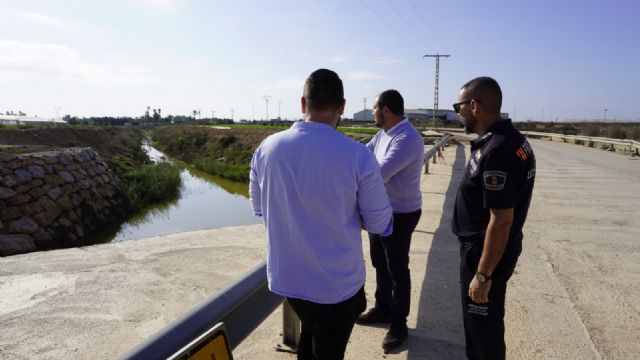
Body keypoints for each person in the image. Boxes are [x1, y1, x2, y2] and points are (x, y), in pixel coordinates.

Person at [249, 68, 393, 360]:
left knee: (310, 335)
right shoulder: (358, 156)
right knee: (327, 349)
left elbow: (260, 208)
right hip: (337, 285)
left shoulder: (266, 149)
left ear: (302, 104)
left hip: (288, 280)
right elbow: (380, 222)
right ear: (342, 107)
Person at [451, 77, 536, 360]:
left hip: (484, 254)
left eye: (459, 106)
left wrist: (483, 275)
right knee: (485, 328)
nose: (458, 112)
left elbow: (501, 221)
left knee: (482, 335)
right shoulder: (509, 140)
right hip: (488, 249)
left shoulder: (498, 149)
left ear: (474, 105)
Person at [356, 90, 424, 352]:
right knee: (380, 263)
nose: (372, 113)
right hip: (381, 210)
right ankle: (382, 308)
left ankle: (399, 324)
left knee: (397, 269)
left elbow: (379, 174)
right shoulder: (383, 134)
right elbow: (364, 156)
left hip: (400, 214)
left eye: (374, 108)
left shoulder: (406, 138)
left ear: (385, 110)